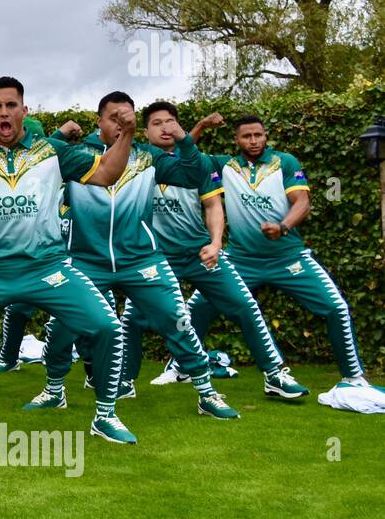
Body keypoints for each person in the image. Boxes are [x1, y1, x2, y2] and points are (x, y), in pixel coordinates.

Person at [0, 76, 139, 444]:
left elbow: (108, 172)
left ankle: (106, 416)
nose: (4, 112)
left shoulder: (53, 151)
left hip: (48, 269)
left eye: (11, 105)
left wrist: (126, 134)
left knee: (108, 328)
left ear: (24, 111)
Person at [35, 92, 240, 422]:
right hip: (87, 260)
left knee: (178, 322)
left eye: (128, 117)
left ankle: (207, 392)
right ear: (99, 121)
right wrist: (59, 133)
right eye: (115, 117)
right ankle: (54, 389)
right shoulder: (77, 155)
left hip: (141, 260)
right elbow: (38, 157)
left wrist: (184, 136)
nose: (123, 123)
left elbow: (193, 173)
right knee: (61, 327)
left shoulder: (148, 157)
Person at [189, 114, 384, 405]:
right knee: (196, 306)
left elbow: (303, 202)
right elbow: (183, 155)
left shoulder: (285, 162)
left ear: (266, 136)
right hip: (240, 260)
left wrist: (283, 227)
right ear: (236, 140)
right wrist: (202, 126)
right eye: (247, 136)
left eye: (258, 135)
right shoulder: (223, 165)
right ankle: (182, 365)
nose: (253, 141)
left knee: (336, 308)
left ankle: (353, 377)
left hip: (288, 258)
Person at [121, 103, 307, 399]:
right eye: (157, 123)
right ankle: (123, 383)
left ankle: (275, 375)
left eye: (171, 121)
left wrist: (216, 242)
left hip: (199, 253)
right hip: (153, 258)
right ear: (146, 131)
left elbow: (213, 206)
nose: (165, 127)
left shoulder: (198, 165)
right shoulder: (133, 162)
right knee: (131, 319)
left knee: (245, 306)